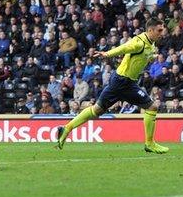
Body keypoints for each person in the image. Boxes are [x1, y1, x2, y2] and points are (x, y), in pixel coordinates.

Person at [56, 18, 170, 153]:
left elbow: (141, 56)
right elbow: (125, 47)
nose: (162, 32)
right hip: (122, 82)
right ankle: (149, 144)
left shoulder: (151, 44)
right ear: (150, 30)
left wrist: (150, 58)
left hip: (125, 81)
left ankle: (66, 128)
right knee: (151, 107)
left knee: (97, 110)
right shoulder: (139, 42)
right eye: (159, 30)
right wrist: (107, 53)